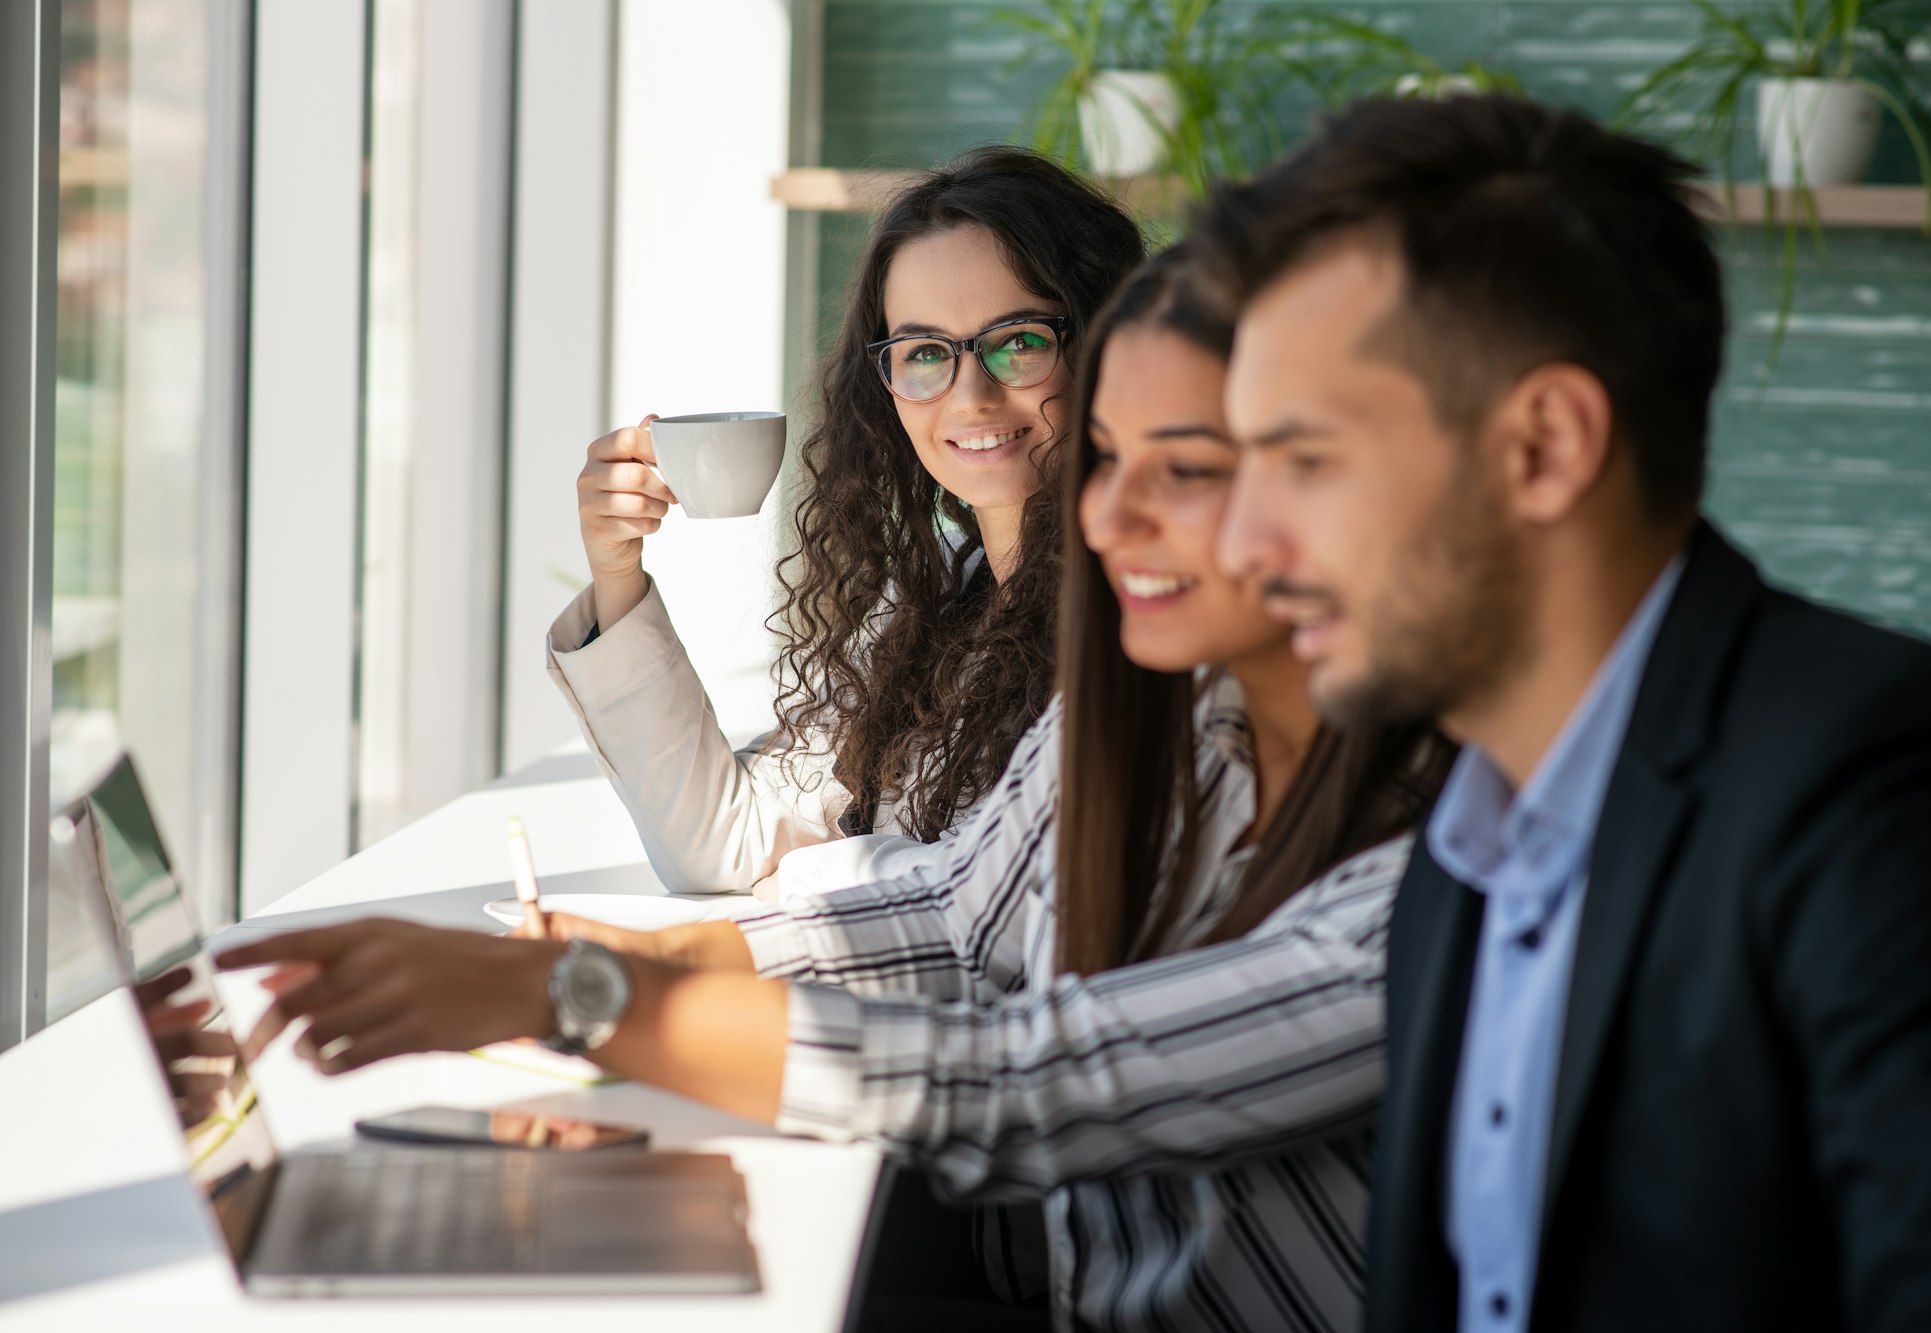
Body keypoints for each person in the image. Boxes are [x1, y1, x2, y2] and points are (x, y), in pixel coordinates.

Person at [219, 249, 1452, 1333]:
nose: (1108, 505)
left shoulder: (1443, 855)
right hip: (1060, 1266)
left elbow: (1033, 1078)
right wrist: (604, 961)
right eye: (921, 354)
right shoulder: (1123, 688)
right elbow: (946, 912)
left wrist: (583, 992)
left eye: (1178, 467)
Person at [1191, 93, 1931, 1333]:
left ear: (1543, 446)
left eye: (1303, 461)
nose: (1242, 544)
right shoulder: (1459, 861)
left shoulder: (1886, 787)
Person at [553, 146, 1145, 897]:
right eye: (926, 353)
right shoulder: (937, 599)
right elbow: (727, 842)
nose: (971, 397)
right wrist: (616, 574)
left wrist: (807, 874)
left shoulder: (1143, 610)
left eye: (1019, 342)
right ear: (886, 388)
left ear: (1104, 342)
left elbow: (992, 899)